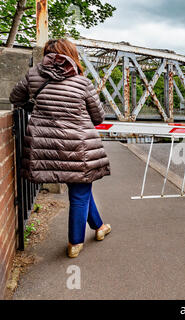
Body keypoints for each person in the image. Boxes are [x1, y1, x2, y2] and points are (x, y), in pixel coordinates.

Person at [9, 39, 112, 258]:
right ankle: (75, 243)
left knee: (80, 188)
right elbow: (99, 117)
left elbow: (14, 98)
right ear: (71, 55)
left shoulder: (33, 76)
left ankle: (100, 227)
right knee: (80, 192)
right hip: (78, 147)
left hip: (46, 148)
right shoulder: (81, 82)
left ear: (47, 55)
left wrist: (35, 104)